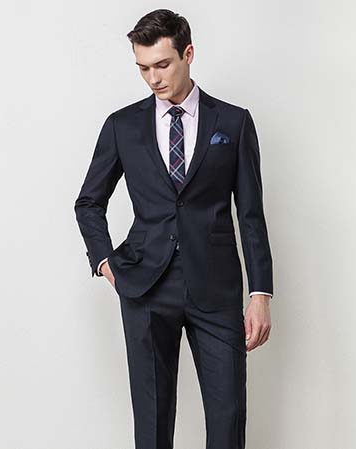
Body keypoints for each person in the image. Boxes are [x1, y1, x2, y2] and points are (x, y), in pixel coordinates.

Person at [74, 8, 273, 449]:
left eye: (162, 64)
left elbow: (251, 214)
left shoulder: (233, 122)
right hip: (146, 287)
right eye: (143, 68)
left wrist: (260, 294)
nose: (153, 78)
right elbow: (88, 202)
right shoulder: (122, 126)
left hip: (216, 289)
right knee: (152, 423)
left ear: (188, 54)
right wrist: (106, 263)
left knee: (228, 420)